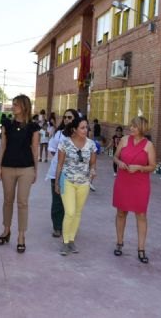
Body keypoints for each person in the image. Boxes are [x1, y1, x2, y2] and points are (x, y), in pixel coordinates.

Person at [0, 94, 39, 253]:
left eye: (16, 105)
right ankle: (6, 231)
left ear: (24, 107)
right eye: (12, 104)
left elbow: (35, 149)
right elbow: (2, 146)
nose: (13, 107)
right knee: (8, 200)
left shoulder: (33, 127)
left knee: (22, 202)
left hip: (26, 168)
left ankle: (21, 236)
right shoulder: (6, 124)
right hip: (7, 166)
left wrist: (36, 169)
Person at [112, 116, 157, 264]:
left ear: (142, 128)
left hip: (140, 183)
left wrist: (140, 168)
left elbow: (152, 166)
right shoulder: (124, 140)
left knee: (141, 215)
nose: (131, 128)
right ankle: (119, 242)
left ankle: (141, 249)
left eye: (135, 126)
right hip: (123, 181)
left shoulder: (148, 145)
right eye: (131, 126)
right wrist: (120, 163)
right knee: (121, 212)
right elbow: (115, 157)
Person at [55, 115, 97, 256]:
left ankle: (71, 240)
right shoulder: (65, 143)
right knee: (70, 212)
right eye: (82, 127)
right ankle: (65, 242)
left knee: (78, 212)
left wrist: (92, 171)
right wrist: (56, 182)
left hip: (84, 183)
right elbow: (59, 164)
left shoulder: (91, 144)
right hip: (67, 181)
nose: (85, 130)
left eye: (87, 127)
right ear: (75, 129)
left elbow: (92, 163)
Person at [45, 109, 79, 238]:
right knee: (57, 201)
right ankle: (57, 227)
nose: (66, 119)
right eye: (65, 117)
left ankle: (69, 225)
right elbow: (52, 149)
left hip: (74, 174)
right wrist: (59, 161)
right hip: (57, 173)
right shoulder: (59, 134)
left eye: (70, 117)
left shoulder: (80, 134)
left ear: (75, 119)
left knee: (70, 201)